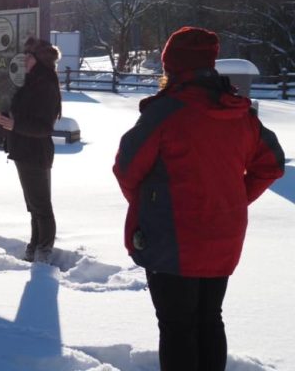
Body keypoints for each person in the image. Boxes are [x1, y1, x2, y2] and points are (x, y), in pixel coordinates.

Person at [113, 26, 285, 371]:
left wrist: (152, 205)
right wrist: (232, 200)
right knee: (209, 319)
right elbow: (272, 165)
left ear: (172, 66)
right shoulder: (239, 112)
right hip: (223, 236)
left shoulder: (165, 112)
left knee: (177, 327)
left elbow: (127, 169)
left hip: (171, 238)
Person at [0, 37, 62, 263]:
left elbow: (44, 127)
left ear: (38, 59)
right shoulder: (30, 81)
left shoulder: (45, 84)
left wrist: (14, 124)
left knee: (41, 205)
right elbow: (22, 113)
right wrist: (4, 117)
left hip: (36, 152)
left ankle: (44, 250)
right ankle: (34, 244)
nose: (24, 58)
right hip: (22, 150)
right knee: (33, 205)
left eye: (29, 55)